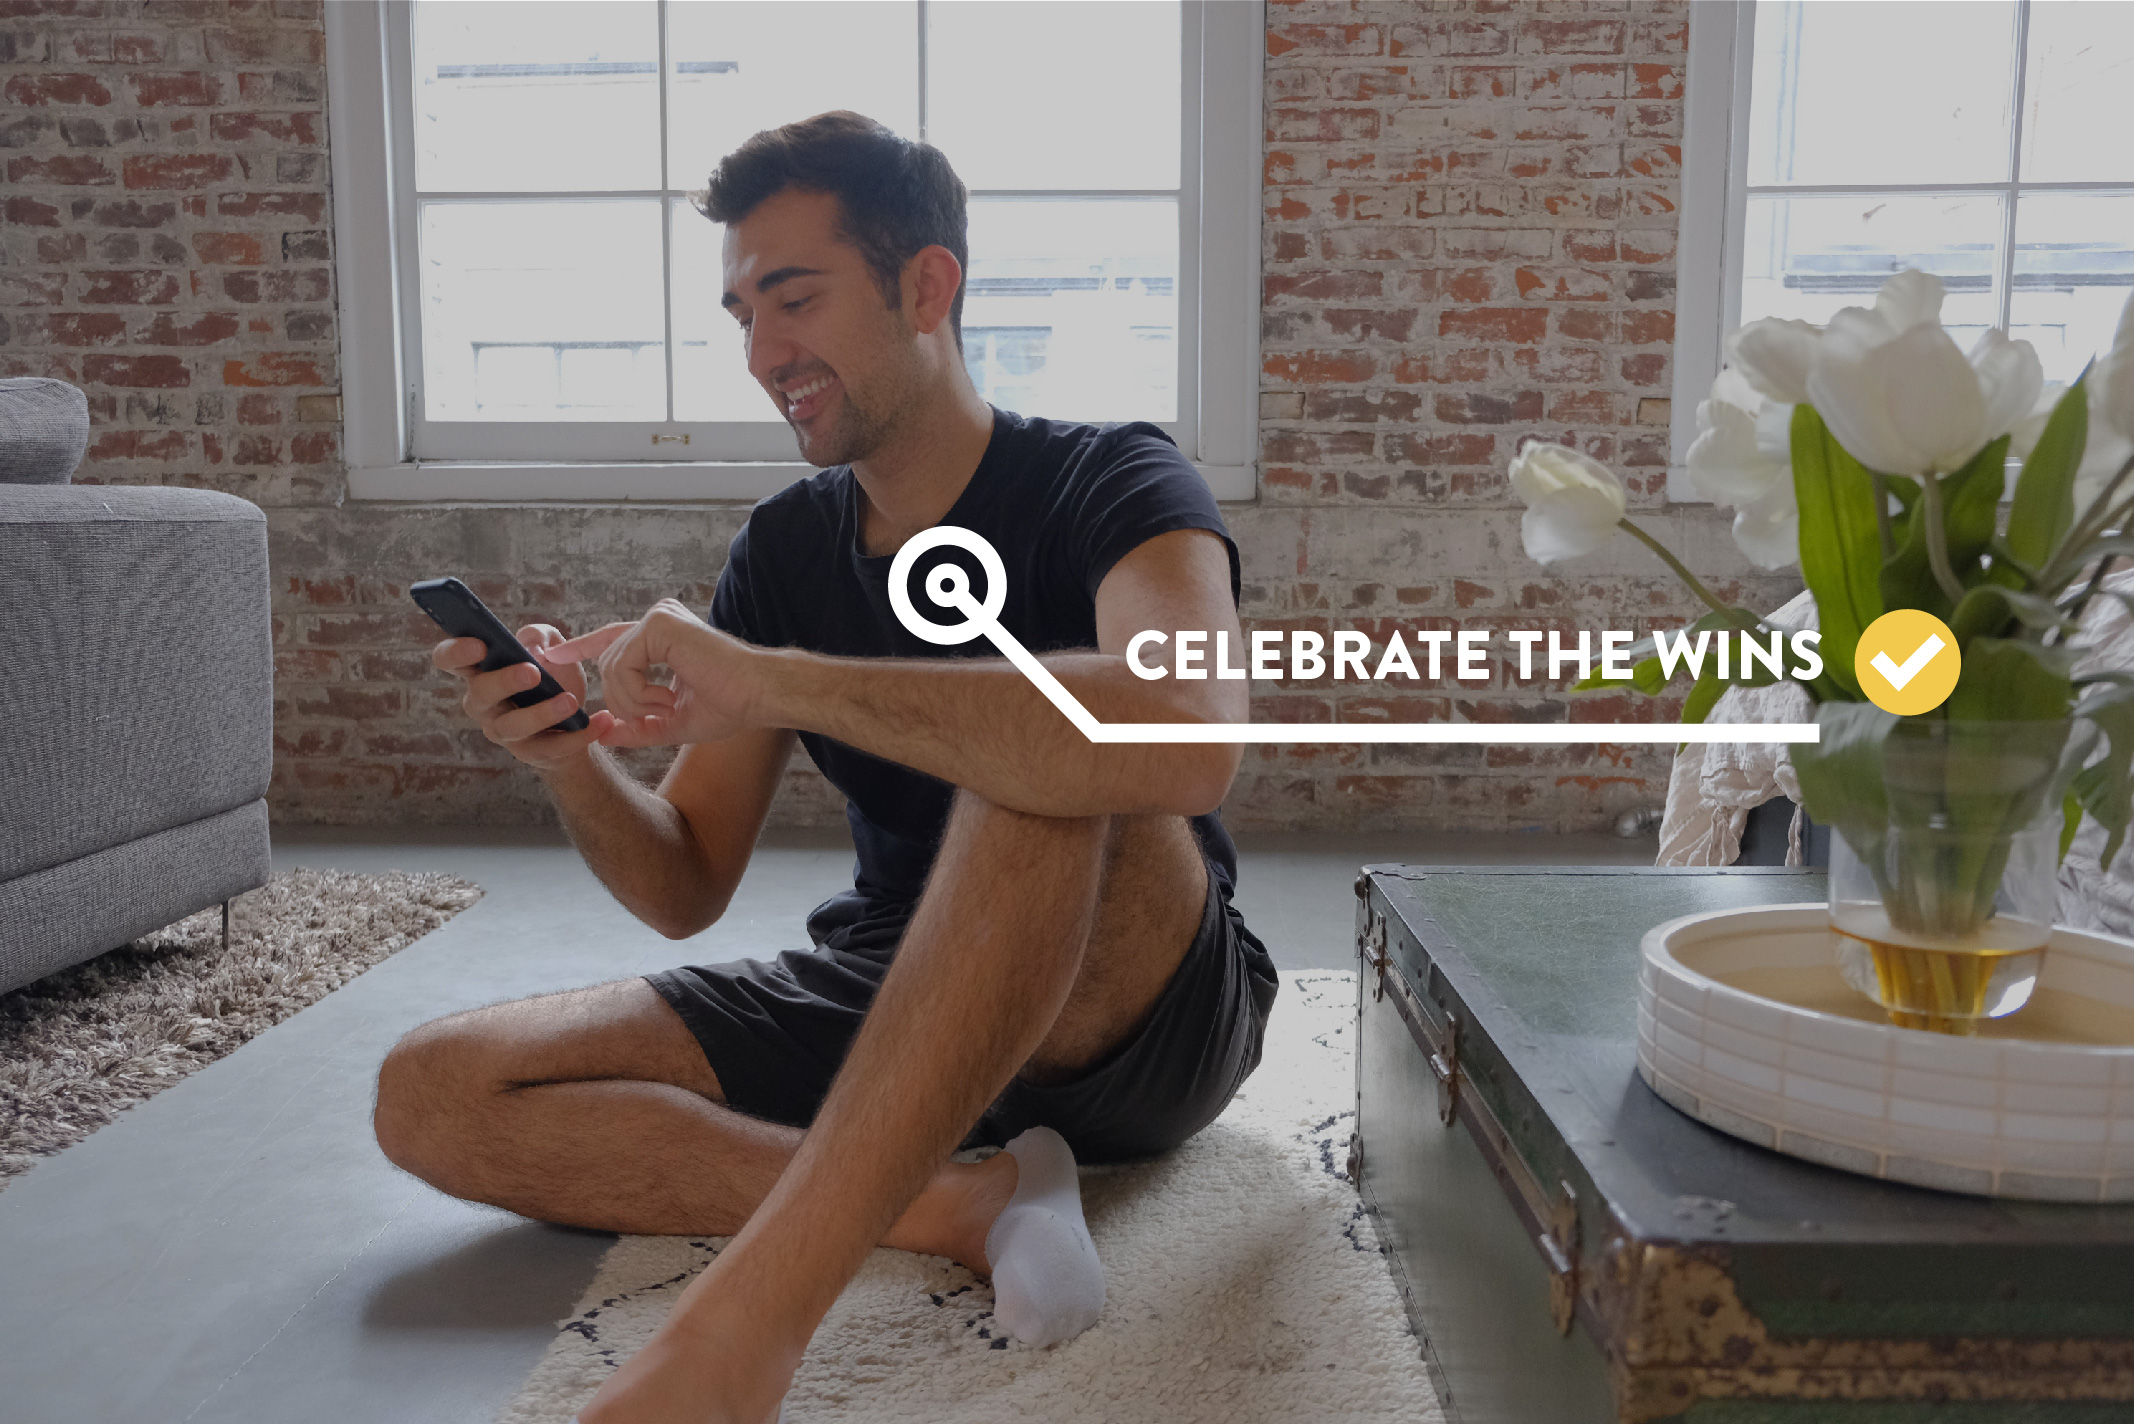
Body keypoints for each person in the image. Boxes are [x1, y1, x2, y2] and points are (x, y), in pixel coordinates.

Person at [372, 110, 1277, 1424]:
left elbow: (1184, 733)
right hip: (894, 990)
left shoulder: (1116, 478)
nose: (762, 354)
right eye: (743, 315)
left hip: (1137, 1017)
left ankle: (744, 1332)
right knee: (436, 1091)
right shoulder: (783, 549)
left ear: (927, 287)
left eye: (794, 300)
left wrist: (775, 679)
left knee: (1039, 754)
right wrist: (568, 762)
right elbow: (684, 883)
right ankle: (957, 1204)